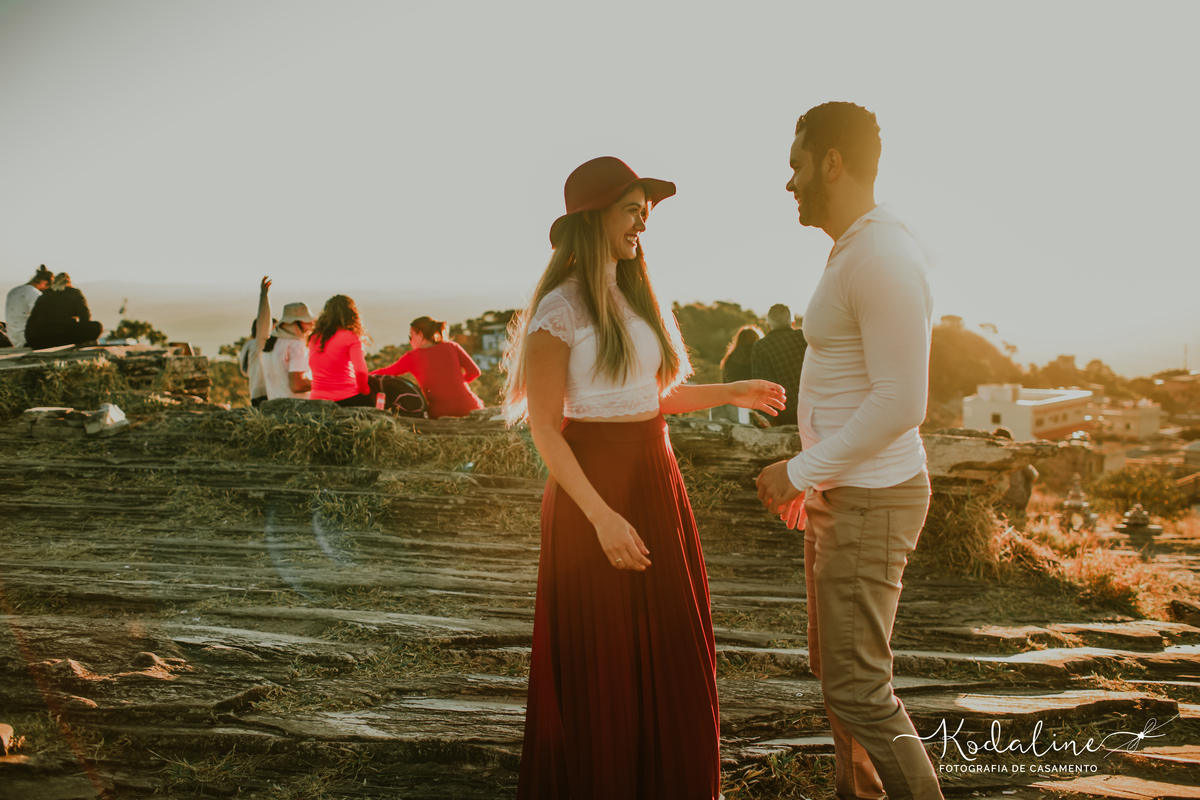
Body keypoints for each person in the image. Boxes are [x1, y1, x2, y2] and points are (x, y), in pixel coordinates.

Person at [504, 156, 785, 799]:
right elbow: (545, 428)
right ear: (593, 217)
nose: (643, 225)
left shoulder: (634, 297)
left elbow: (648, 396)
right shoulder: (558, 309)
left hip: (657, 479)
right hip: (592, 492)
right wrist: (602, 517)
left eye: (646, 213)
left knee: (671, 645)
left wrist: (729, 392)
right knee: (605, 658)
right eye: (633, 211)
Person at [754, 103, 943, 800]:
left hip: (871, 499)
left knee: (859, 686)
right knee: (836, 670)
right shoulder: (857, 248)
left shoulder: (882, 256)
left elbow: (901, 402)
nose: (790, 182)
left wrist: (799, 471)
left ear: (831, 163)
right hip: (845, 492)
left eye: (797, 164)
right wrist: (817, 480)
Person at [370, 316, 483, 418]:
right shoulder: (452, 346)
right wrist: (454, 384)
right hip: (471, 408)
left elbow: (386, 372)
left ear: (420, 335)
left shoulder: (412, 357)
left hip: (440, 414)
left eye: (411, 336)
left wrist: (363, 376)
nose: (410, 341)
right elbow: (475, 372)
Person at [251, 277, 314, 401]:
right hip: (298, 406)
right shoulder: (296, 346)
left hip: (275, 404)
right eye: (307, 321)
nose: (311, 324)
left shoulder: (272, 343)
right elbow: (297, 385)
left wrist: (264, 295)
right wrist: (327, 383)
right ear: (294, 322)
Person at [308, 295, 373, 406]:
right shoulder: (351, 337)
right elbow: (361, 371)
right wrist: (365, 390)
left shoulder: (315, 337)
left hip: (316, 399)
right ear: (352, 314)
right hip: (346, 398)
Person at [750, 303, 808, 426]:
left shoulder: (761, 347)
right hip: (815, 409)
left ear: (768, 327)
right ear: (793, 323)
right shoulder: (805, 337)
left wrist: (765, 420)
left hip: (787, 417)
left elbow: (765, 387)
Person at [24, 273, 104, 350]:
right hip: (57, 337)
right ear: (69, 282)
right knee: (96, 327)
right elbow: (85, 318)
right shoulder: (74, 293)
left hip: (34, 340)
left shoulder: (45, 294)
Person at [712, 324, 762, 423]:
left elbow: (725, 385)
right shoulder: (761, 357)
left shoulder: (728, 360)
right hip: (759, 409)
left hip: (734, 411)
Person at [992, 427, 1037, 527]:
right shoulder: (1018, 457)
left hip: (996, 501)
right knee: (1028, 478)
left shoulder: (990, 457)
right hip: (1017, 501)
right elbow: (1034, 476)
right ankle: (1021, 509)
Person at [239, 277, 273, 406]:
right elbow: (264, 322)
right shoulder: (258, 346)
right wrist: (264, 296)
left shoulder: (249, 347)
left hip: (255, 394)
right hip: (264, 395)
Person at [5, 265, 54, 348]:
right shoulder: (34, 294)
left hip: (13, 338)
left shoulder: (13, 291)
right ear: (45, 282)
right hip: (27, 339)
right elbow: (43, 318)